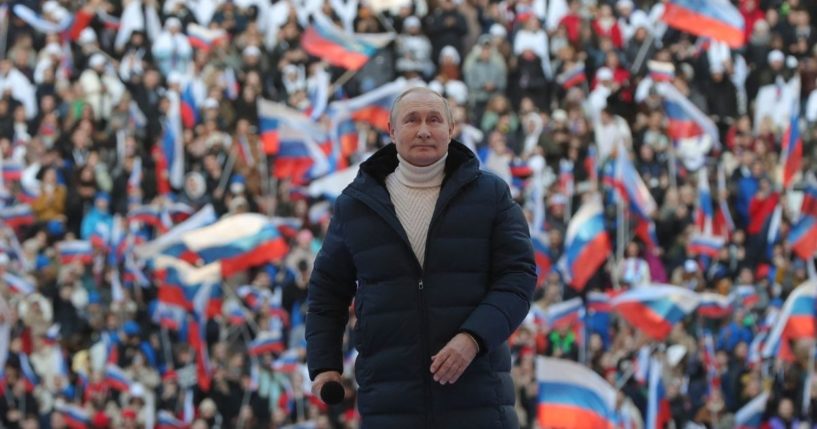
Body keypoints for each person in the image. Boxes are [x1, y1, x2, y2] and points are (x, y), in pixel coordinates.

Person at [306, 87, 536, 428]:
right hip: (389, 404)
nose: (424, 129)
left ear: (451, 129)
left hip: (478, 401)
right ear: (392, 131)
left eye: (434, 120)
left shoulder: (492, 194)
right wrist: (325, 365)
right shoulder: (355, 204)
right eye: (412, 120)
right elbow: (327, 291)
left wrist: (472, 339)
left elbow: (518, 278)